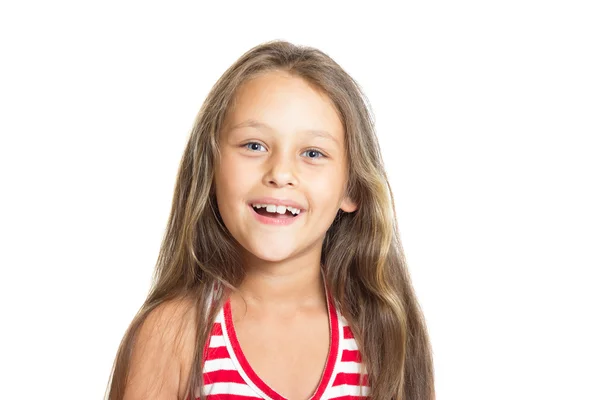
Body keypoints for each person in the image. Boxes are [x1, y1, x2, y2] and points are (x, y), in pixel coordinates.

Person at [105, 40, 435, 400]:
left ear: (351, 188)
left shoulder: (383, 335)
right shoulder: (174, 335)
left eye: (312, 153)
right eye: (254, 145)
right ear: (210, 168)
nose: (280, 173)